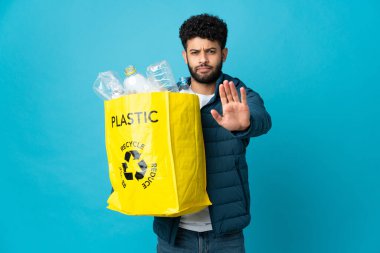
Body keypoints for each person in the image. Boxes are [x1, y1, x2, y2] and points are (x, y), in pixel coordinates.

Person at [154, 13, 272, 252]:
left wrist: (244, 124)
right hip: (175, 234)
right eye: (195, 52)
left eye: (211, 51)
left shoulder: (238, 94)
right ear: (185, 56)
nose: (203, 60)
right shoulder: (166, 99)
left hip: (225, 235)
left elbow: (263, 119)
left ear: (223, 54)